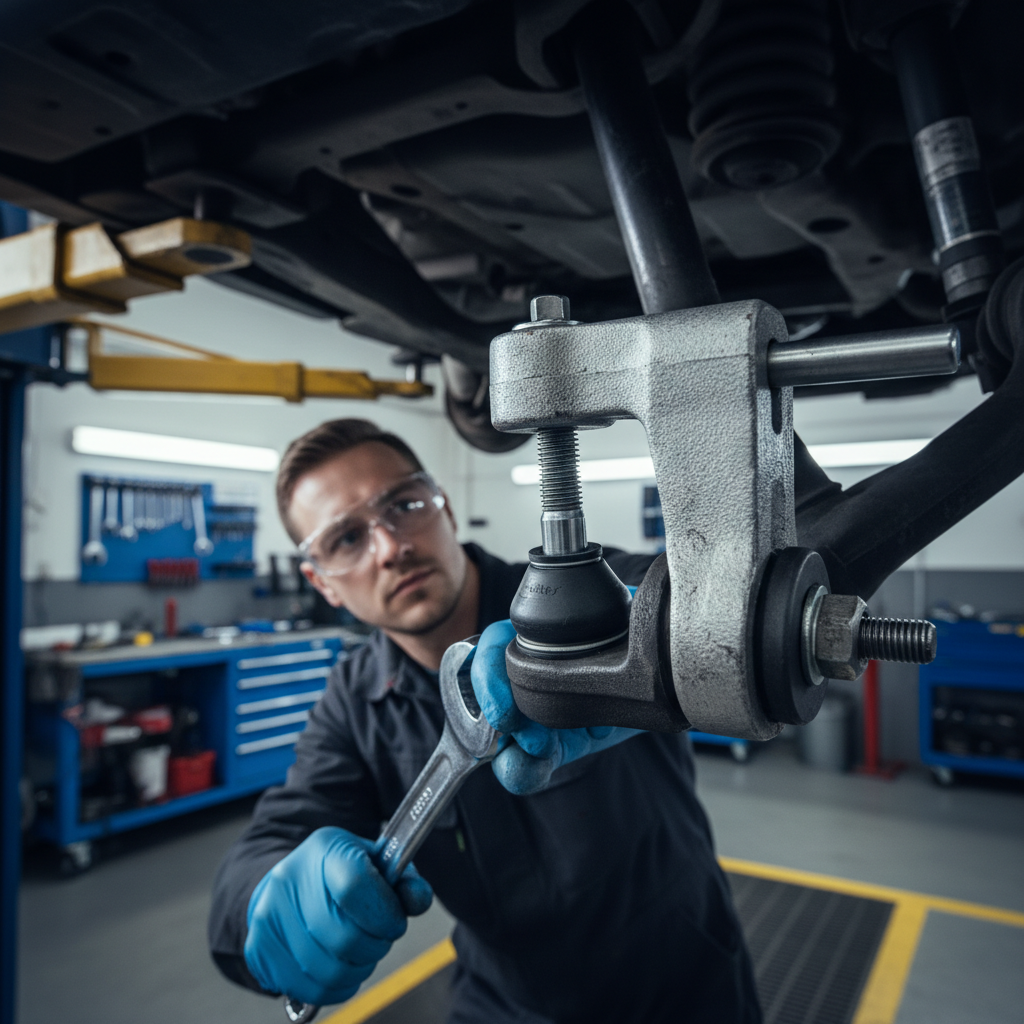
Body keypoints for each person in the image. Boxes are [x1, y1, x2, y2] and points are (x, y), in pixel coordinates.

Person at [208, 418, 761, 1023]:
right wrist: (265, 897)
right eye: (345, 540)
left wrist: (663, 630)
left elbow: (713, 603)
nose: (391, 547)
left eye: (404, 505)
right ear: (322, 585)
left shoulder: (586, 600)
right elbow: (271, 842)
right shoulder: (353, 704)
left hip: (683, 989)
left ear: (442, 505)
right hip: (503, 1005)